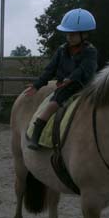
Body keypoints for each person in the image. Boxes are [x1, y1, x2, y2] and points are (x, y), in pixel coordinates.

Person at [24, 8, 98, 150]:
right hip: (66, 88)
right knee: (52, 105)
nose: (69, 37)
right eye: (67, 33)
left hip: (83, 85)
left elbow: (85, 69)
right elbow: (50, 69)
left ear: (85, 34)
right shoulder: (62, 50)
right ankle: (36, 136)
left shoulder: (90, 52)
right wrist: (36, 86)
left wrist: (71, 78)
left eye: (73, 34)